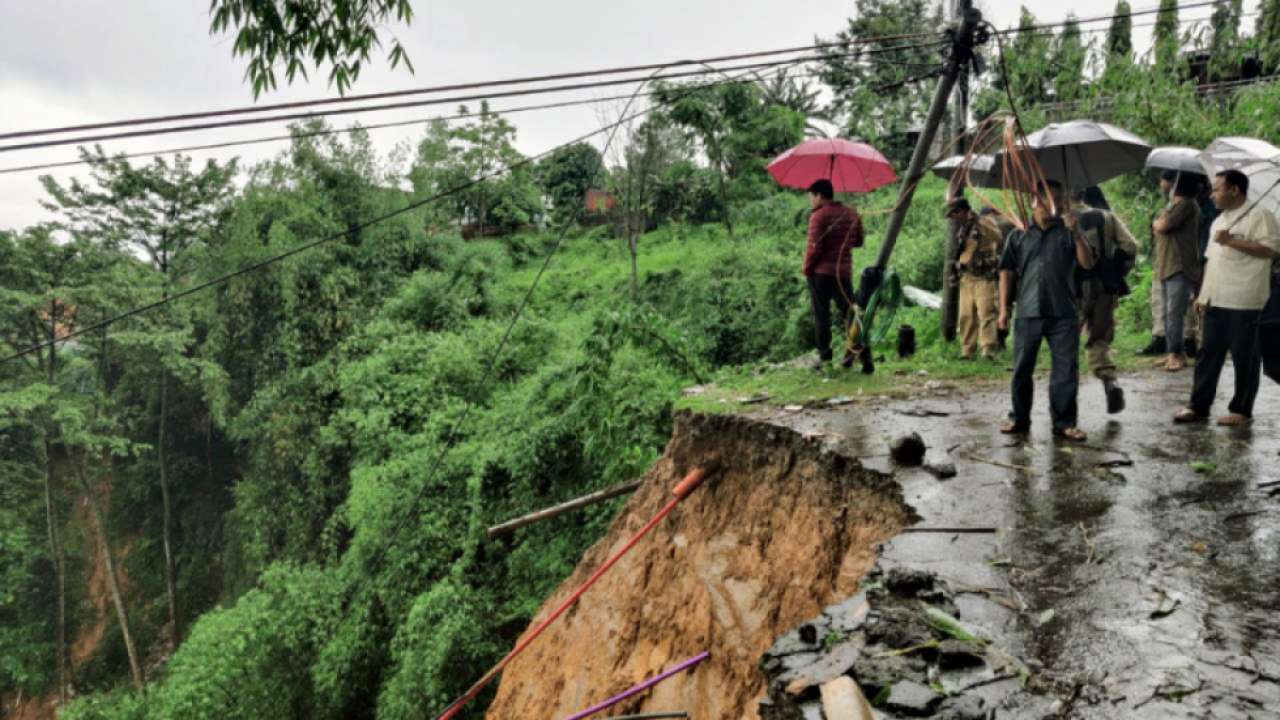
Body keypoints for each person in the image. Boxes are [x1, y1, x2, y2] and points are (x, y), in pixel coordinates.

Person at [1174, 170, 1280, 426]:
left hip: (1246, 299)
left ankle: (1241, 410)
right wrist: (1203, 294)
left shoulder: (1260, 216)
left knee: (1245, 357)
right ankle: (1198, 406)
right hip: (1216, 298)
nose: (1212, 195)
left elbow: (1272, 248)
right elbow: (1212, 260)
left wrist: (1232, 241)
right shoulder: (1219, 221)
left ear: (1235, 190)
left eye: (1217, 189)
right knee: (1207, 355)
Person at [998, 180, 1096, 441]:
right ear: (1035, 202)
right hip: (1028, 310)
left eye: (1060, 200)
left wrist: (1076, 233)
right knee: (1021, 368)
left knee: (1065, 369)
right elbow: (1006, 272)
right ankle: (1019, 418)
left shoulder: (1069, 231)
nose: (1056, 205)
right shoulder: (1017, 234)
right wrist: (1003, 310)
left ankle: (1064, 423)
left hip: (1063, 311)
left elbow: (1087, 264)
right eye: (1050, 200)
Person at [1073, 187, 1138, 414]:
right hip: (1103, 286)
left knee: (1065, 342)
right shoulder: (1106, 216)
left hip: (1072, 290)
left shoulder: (1060, 220)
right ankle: (1110, 382)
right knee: (1098, 339)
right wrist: (1117, 272)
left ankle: (1066, 397)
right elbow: (1131, 246)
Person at [802, 179, 871, 372]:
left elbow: (814, 249)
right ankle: (866, 359)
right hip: (843, 274)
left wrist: (806, 269)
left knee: (822, 317)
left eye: (811, 197)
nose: (810, 201)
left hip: (821, 274)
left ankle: (825, 360)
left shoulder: (817, 216)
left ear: (818, 196)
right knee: (852, 316)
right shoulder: (850, 213)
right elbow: (858, 241)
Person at [1143, 171, 1201, 357]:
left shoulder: (1186, 204)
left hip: (1179, 266)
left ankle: (1175, 354)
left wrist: (1158, 221)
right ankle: (1172, 352)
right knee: (1169, 313)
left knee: (1175, 313)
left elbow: (1162, 226)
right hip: (1167, 266)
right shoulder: (1174, 205)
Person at [946, 198, 1002, 360]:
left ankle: (988, 350)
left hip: (984, 276)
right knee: (966, 315)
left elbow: (997, 237)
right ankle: (967, 350)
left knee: (986, 313)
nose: (953, 217)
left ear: (962, 211)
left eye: (954, 213)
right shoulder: (963, 228)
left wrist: (978, 220)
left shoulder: (984, 222)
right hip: (967, 277)